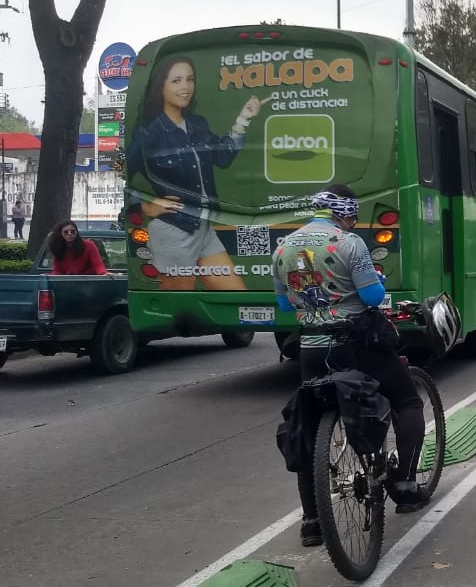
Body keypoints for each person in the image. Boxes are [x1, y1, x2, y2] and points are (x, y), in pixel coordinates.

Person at [272, 185, 432, 547]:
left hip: (312, 347)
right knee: (406, 400)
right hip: (357, 344)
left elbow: (284, 306)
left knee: (310, 428)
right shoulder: (349, 243)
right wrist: (376, 281)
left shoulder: (283, 247)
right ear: (343, 212)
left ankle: (312, 521)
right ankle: (405, 486)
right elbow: (373, 297)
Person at [126, 54, 262, 291]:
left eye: (190, 79)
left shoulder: (198, 124)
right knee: (179, 309)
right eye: (176, 80)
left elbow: (223, 157)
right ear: (161, 87)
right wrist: (147, 206)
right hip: (173, 231)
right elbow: (122, 176)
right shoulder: (148, 134)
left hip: (204, 227)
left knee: (236, 295)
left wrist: (243, 120)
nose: (186, 87)